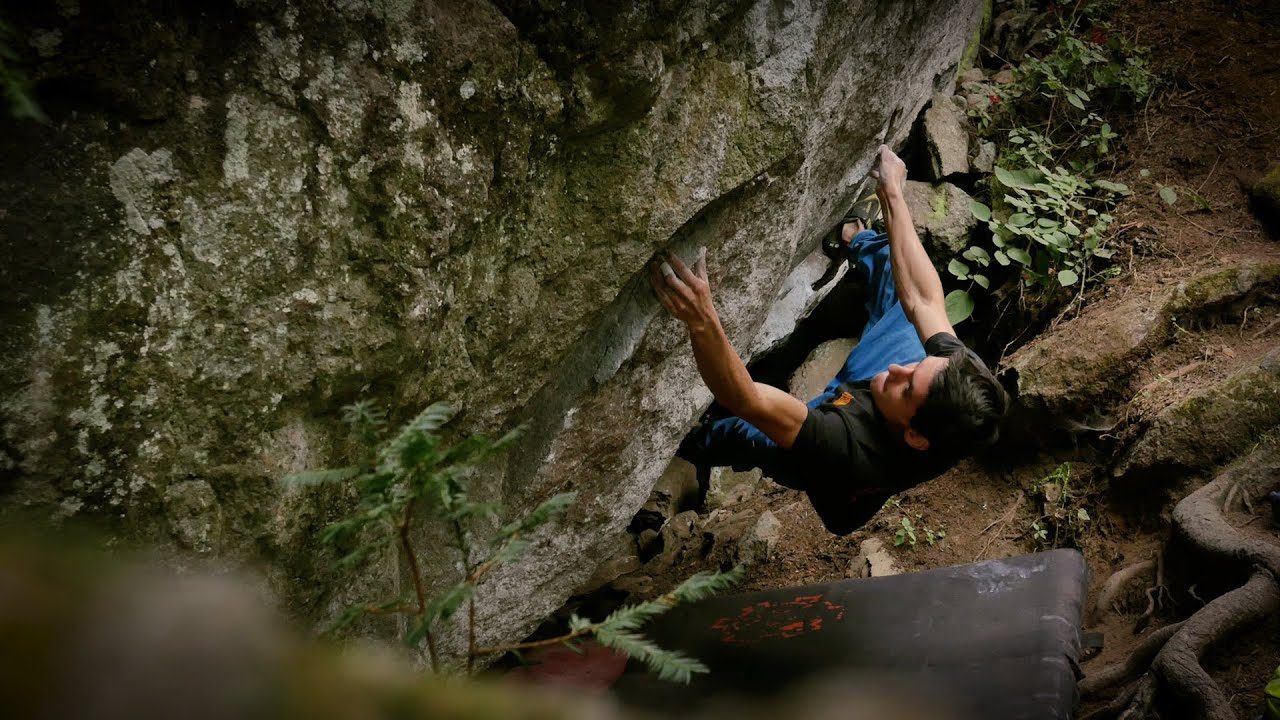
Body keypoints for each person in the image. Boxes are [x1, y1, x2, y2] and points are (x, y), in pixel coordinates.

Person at [649, 145, 1009, 535]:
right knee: (906, 309)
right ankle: (859, 240)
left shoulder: (843, 448)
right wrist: (892, 192)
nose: (896, 369)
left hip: (838, 455)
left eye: (907, 387)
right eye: (918, 365)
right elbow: (923, 298)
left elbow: (745, 397)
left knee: (743, 431)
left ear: (915, 435)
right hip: (877, 413)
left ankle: (688, 446)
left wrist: (702, 320)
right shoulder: (959, 386)